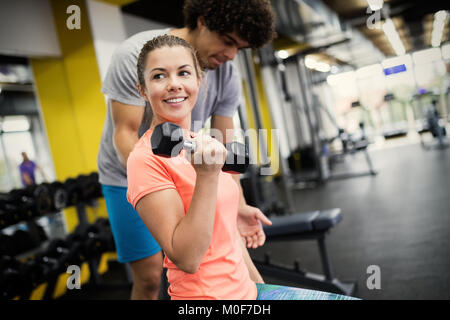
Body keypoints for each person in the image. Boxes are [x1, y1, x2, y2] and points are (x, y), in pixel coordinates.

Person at [127, 34, 357, 300]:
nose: (174, 84)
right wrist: (208, 176)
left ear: (199, 81)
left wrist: (262, 290)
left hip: (246, 292)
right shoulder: (145, 160)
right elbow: (187, 258)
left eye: (184, 73)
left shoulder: (202, 143)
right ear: (142, 90)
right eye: (159, 76)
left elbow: (229, 237)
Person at [98, 0, 276, 299]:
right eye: (227, 41)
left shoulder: (225, 72)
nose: (231, 54)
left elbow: (224, 147)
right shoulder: (135, 54)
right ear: (204, 21)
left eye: (239, 49)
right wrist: (161, 188)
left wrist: (235, 204)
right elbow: (126, 133)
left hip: (191, 166)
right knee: (151, 277)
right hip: (128, 173)